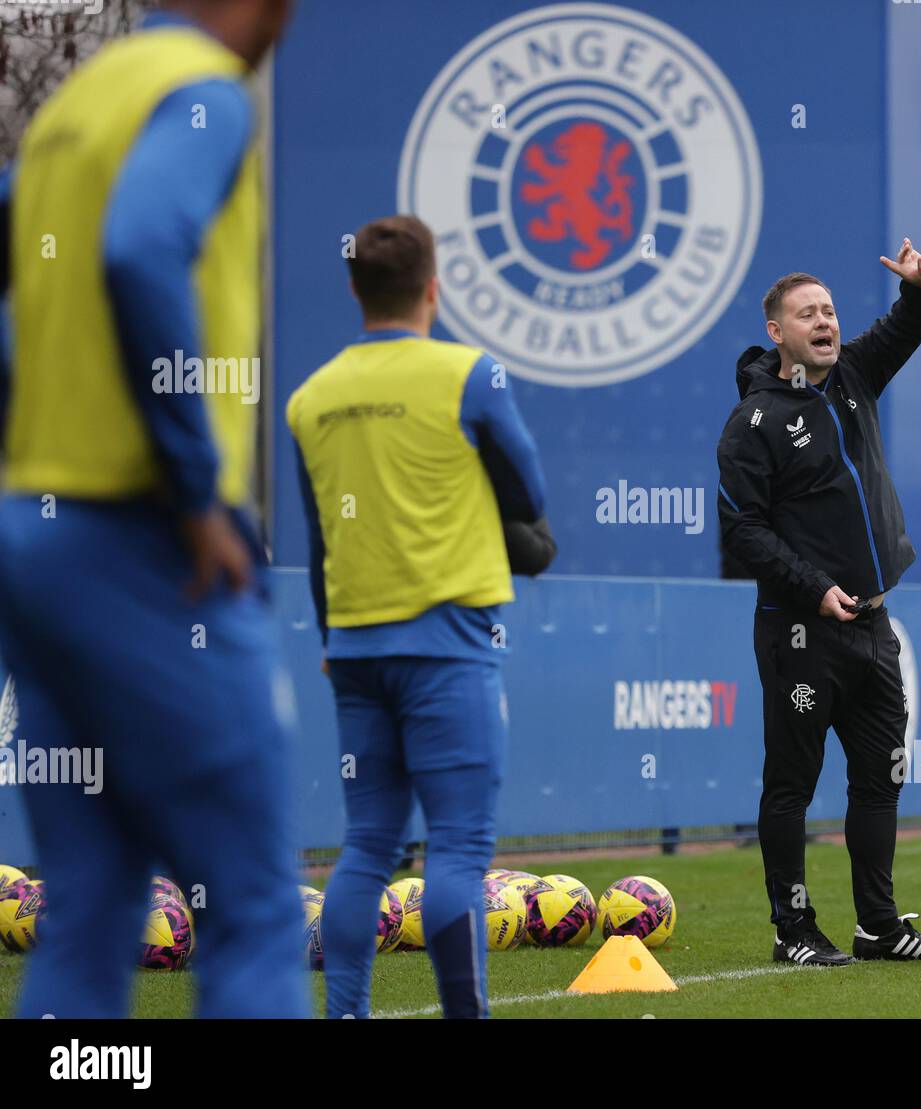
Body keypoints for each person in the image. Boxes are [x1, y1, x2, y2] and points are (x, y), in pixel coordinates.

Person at [0, 0, 307, 1017]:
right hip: (148, 541)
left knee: (88, 907)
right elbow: (141, 247)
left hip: (38, 539)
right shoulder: (205, 95)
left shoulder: (71, 110)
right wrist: (190, 486)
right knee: (253, 906)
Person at [287, 215, 545, 1018]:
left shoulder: (310, 397)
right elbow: (529, 498)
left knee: (365, 844)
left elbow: (321, 534)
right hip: (449, 642)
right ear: (434, 288)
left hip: (355, 648)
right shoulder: (470, 374)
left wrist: (331, 636)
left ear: (354, 287)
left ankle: (346, 1014)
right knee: (459, 850)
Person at [716, 240, 921, 965]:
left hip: (875, 630)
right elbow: (741, 531)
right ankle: (793, 931)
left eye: (831, 310)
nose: (825, 321)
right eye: (807, 313)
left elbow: (914, 321)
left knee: (879, 780)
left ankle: (877, 924)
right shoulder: (752, 423)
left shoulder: (855, 375)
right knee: (793, 784)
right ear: (777, 331)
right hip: (800, 635)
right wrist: (815, 588)